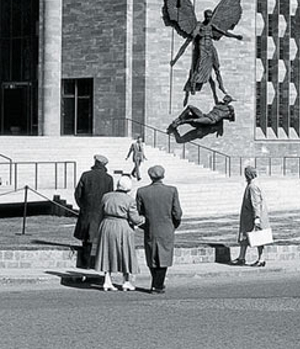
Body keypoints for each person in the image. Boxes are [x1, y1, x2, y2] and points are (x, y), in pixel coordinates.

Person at [136, 164, 182, 294]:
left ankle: (156, 283)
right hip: (166, 227)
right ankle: (158, 284)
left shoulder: (142, 191)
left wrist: (143, 225)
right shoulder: (171, 190)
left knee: (152, 256)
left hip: (151, 227)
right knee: (164, 256)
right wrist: (174, 224)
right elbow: (177, 212)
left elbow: (139, 212)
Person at [94, 174, 144, 291]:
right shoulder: (129, 200)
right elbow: (135, 219)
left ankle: (107, 280)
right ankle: (126, 281)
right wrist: (143, 219)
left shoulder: (106, 196)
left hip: (106, 225)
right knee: (125, 252)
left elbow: (100, 212)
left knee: (107, 251)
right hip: (122, 226)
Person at [74, 154, 114, 267]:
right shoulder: (108, 179)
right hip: (101, 213)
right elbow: (110, 196)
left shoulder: (86, 175)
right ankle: (96, 264)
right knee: (99, 240)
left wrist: (82, 206)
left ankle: (85, 264)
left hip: (87, 212)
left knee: (87, 240)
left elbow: (78, 194)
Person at [235, 166, 271, 267]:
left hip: (252, 217)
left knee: (259, 237)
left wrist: (257, 217)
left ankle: (261, 259)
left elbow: (256, 202)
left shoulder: (253, 186)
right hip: (248, 217)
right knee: (245, 237)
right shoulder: (253, 184)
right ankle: (241, 257)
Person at [168, 95, 235, 135]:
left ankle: (179, 123)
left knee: (194, 121)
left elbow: (232, 119)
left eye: (227, 101)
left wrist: (232, 113)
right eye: (225, 100)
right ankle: (178, 119)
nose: (225, 101)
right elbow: (215, 97)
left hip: (211, 120)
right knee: (190, 107)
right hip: (205, 116)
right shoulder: (219, 104)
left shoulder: (228, 110)